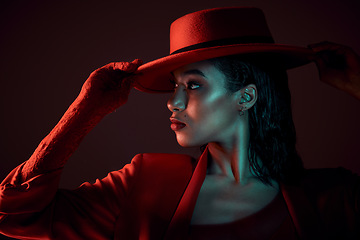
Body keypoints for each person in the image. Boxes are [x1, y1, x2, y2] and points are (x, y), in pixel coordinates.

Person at [0, 7, 359, 240]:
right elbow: (15, 213)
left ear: (246, 97)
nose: (173, 101)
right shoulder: (145, 183)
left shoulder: (334, 197)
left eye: (194, 85)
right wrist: (85, 110)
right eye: (174, 86)